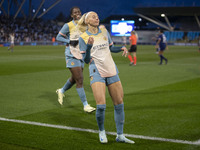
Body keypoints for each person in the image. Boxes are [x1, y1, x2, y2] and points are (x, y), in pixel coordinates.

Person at [79, 11, 135, 144]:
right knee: (101, 106)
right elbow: (86, 60)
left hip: (111, 68)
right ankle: (102, 131)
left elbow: (111, 48)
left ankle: (120, 135)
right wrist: (88, 47)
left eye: (97, 16)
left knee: (119, 103)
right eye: (93, 16)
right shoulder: (83, 37)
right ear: (87, 21)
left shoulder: (104, 32)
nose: (96, 17)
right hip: (96, 70)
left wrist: (121, 48)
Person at [56, 7, 95, 113]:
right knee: (80, 80)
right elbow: (58, 37)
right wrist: (69, 40)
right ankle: (85, 105)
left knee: (74, 79)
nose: (77, 13)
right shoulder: (68, 25)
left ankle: (61, 90)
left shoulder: (85, 26)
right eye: (75, 12)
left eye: (79, 12)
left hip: (81, 54)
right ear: (72, 15)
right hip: (71, 55)